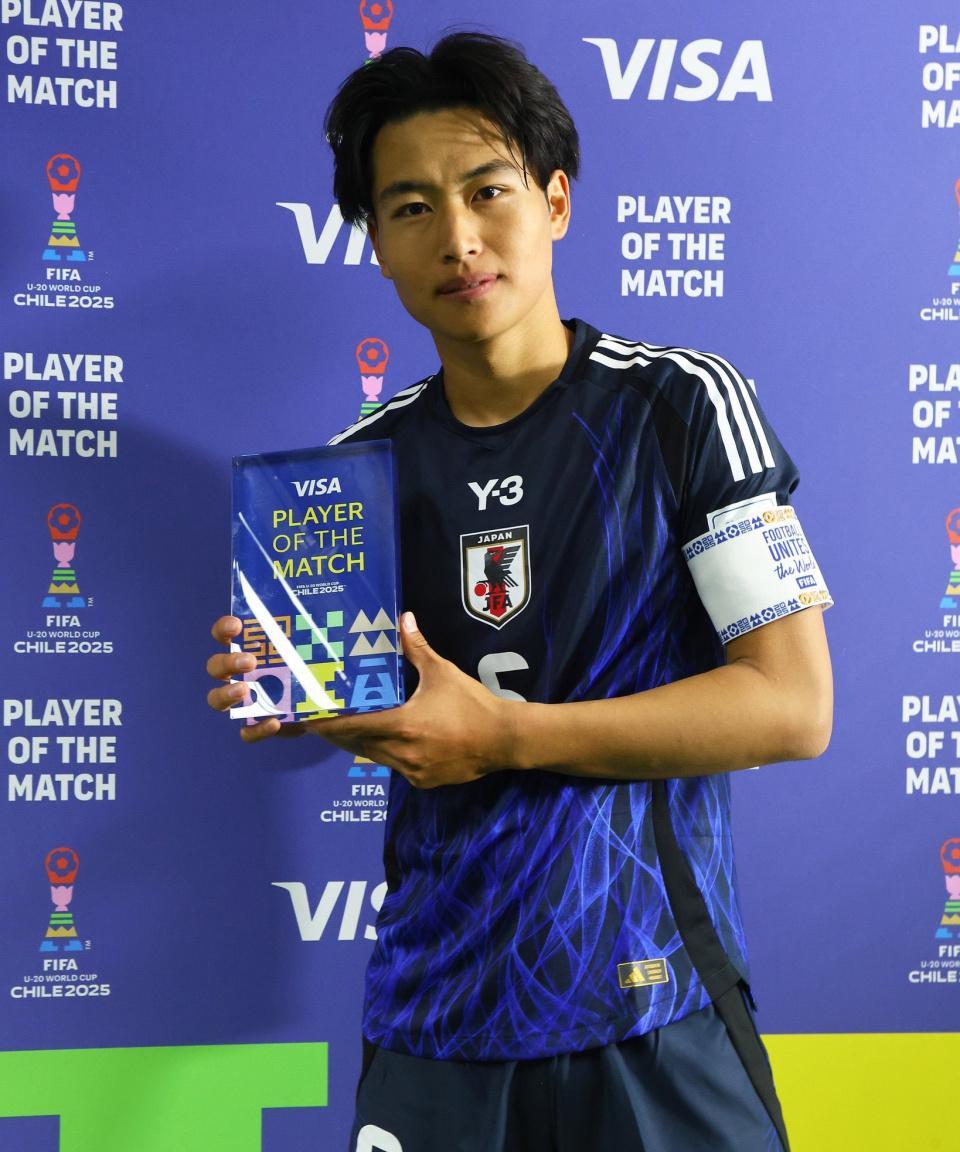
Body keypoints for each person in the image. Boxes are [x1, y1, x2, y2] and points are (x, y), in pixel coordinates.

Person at [206, 32, 833, 1152]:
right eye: (410, 208)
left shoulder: (683, 407)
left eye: (487, 190)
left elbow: (792, 706)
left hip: (654, 1008)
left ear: (555, 202)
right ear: (376, 246)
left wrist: (505, 737)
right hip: (435, 1017)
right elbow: (385, 717)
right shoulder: (352, 472)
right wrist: (298, 692)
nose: (457, 237)